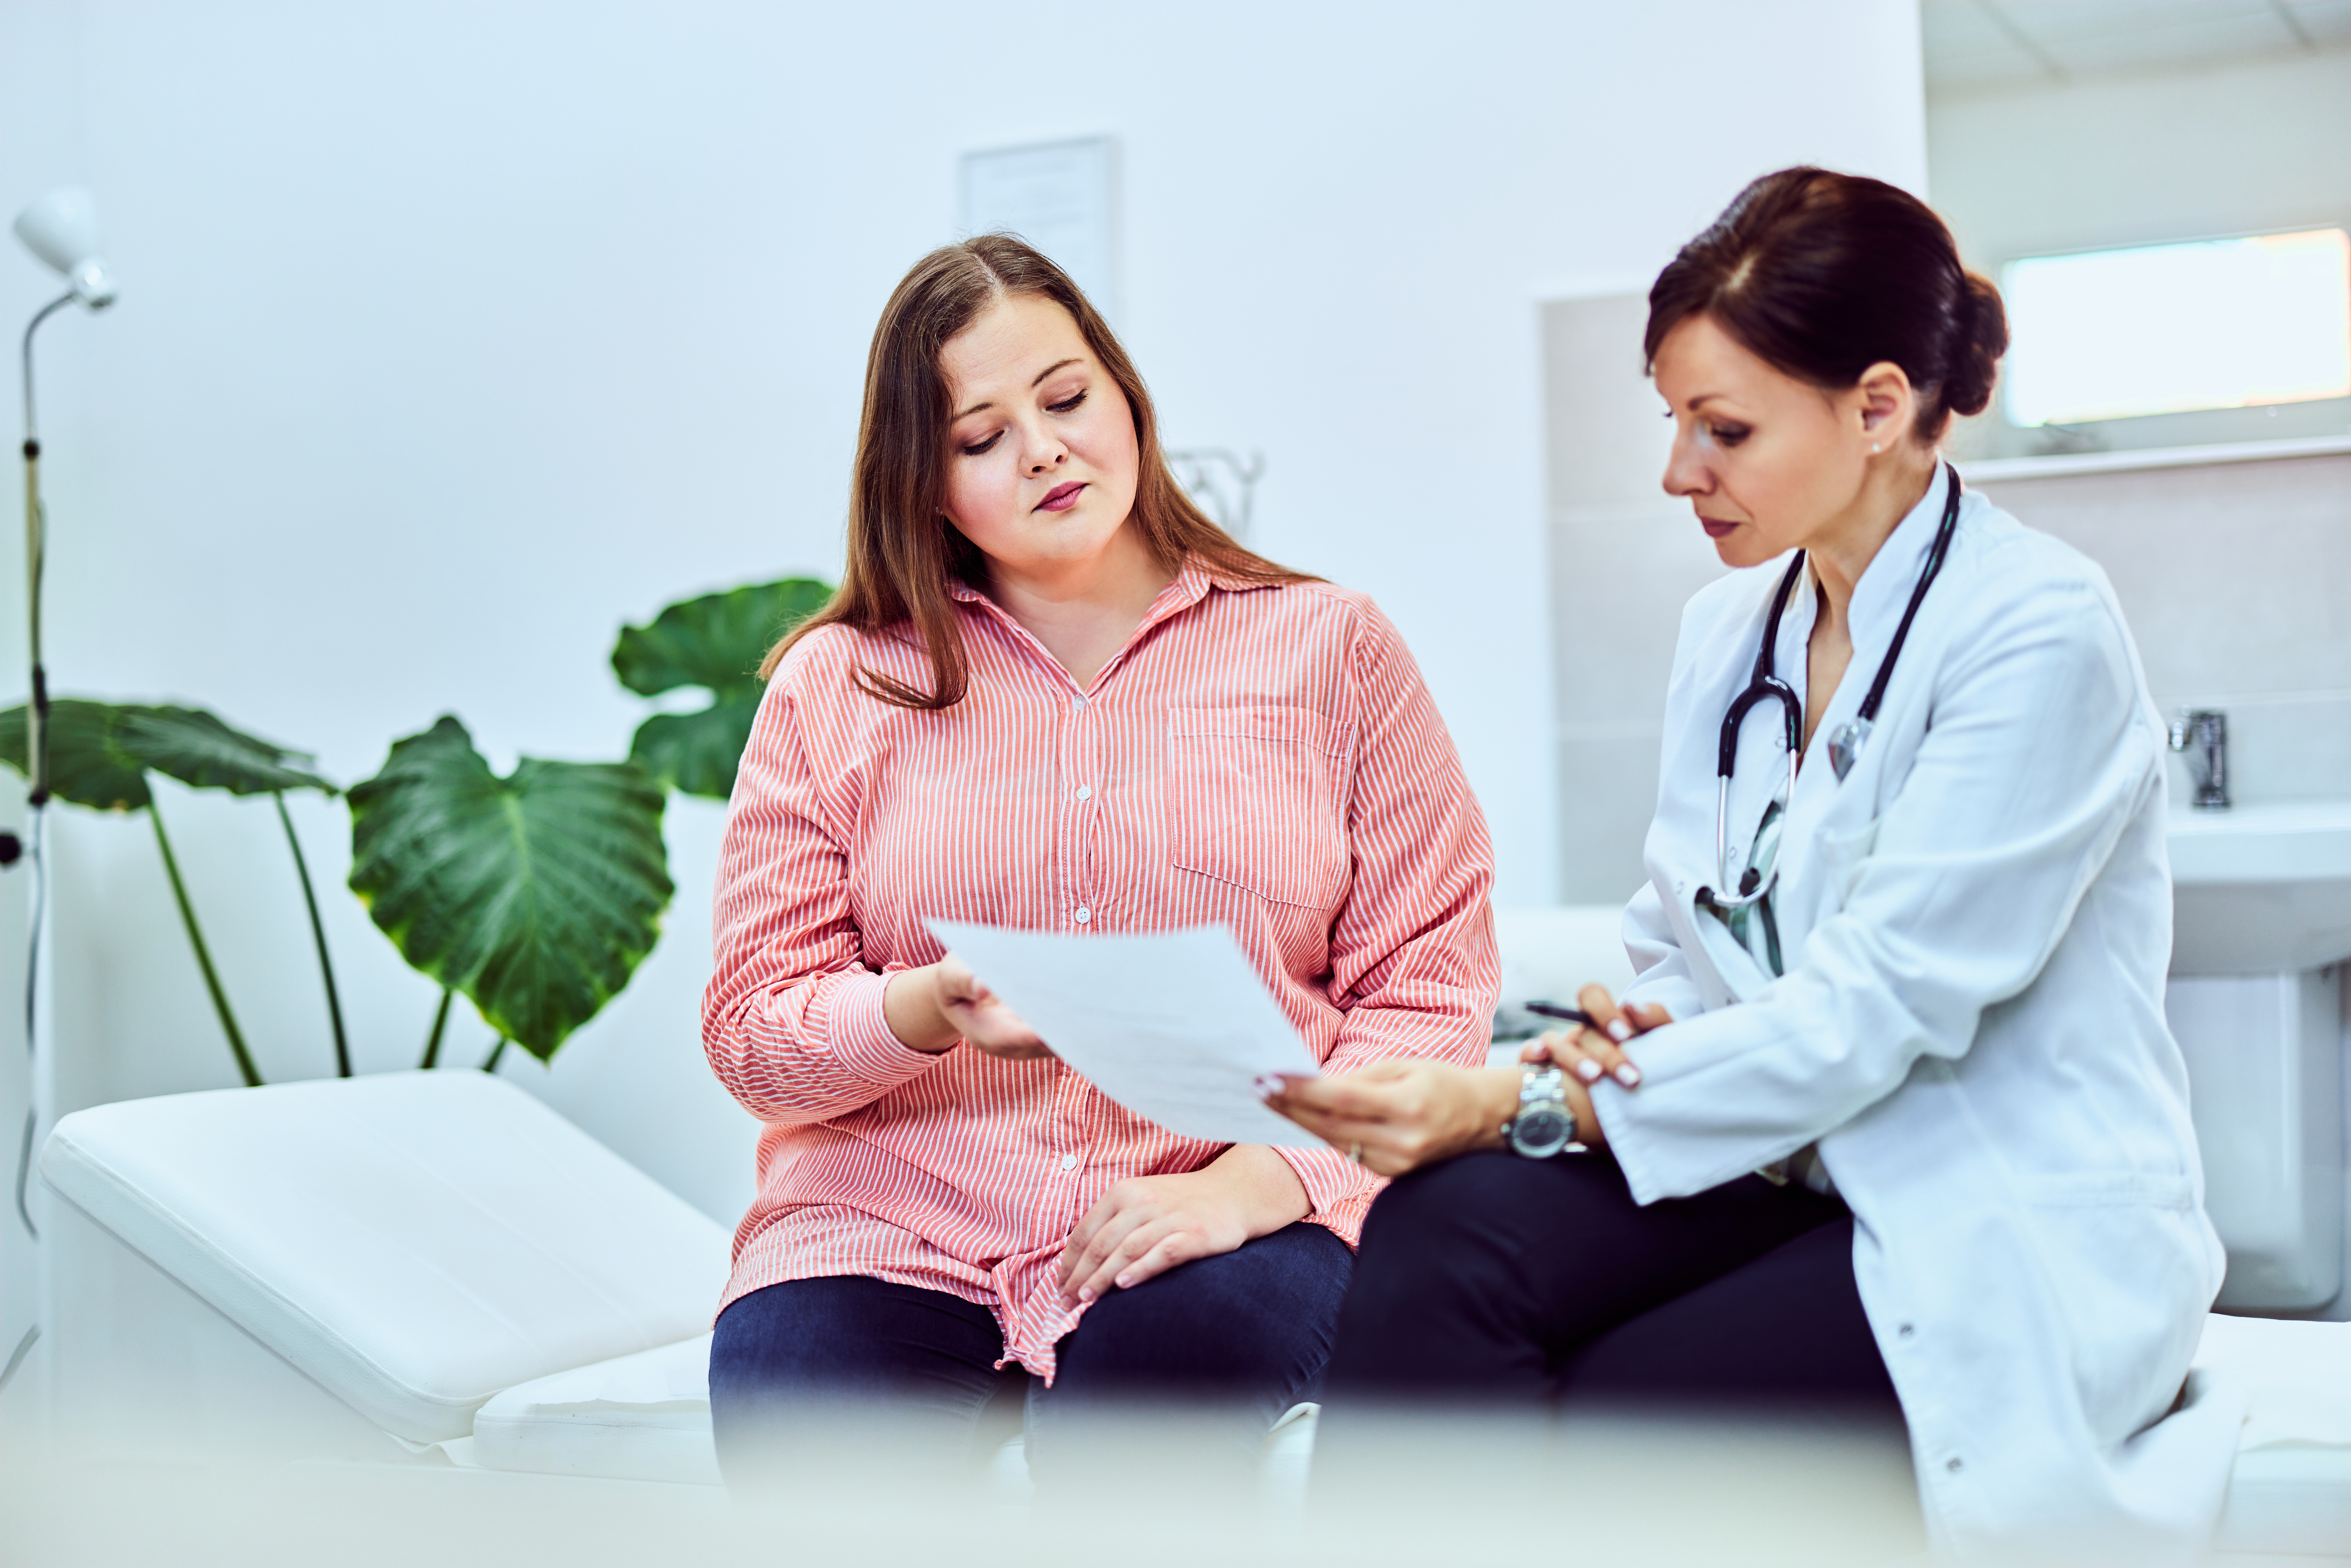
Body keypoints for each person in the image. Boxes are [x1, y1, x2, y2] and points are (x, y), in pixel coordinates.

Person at [1266, 168, 2240, 1559]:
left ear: (1879, 406)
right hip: (1784, 1165)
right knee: (1442, 1236)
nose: (1677, 472)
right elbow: (1686, 946)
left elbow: (1872, 1009)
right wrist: (1636, 1032)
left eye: (1720, 429)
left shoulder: (2035, 633)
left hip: (1980, 1212)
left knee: (1613, 1412)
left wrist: (1509, 1094)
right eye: (1672, 423)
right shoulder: (1729, 637)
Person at [701, 234, 1497, 1492]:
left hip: (1223, 1197)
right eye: (979, 437)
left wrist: (1256, 1187)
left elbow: (1429, 993)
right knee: (812, 1431)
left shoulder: (1329, 648)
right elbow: (752, 1032)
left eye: (1066, 398)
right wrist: (918, 1008)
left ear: (1124, 394)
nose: (1044, 450)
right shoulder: (837, 684)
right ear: (922, 482)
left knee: (1146, 1428)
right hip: (890, 1212)